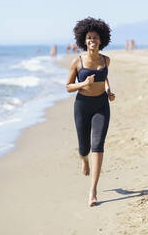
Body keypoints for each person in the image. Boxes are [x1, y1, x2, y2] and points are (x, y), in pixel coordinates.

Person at [66, 17, 115, 206]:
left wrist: (108, 90)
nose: (92, 40)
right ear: (84, 40)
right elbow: (68, 87)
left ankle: (93, 190)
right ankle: (84, 159)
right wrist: (83, 84)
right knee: (84, 148)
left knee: (98, 145)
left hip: (101, 105)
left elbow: (105, 77)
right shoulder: (77, 62)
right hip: (82, 106)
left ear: (101, 40)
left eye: (95, 37)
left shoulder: (106, 60)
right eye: (89, 38)